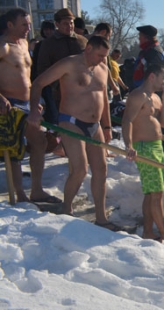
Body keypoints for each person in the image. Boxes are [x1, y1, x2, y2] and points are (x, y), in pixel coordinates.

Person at [28, 36, 117, 230]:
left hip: (95, 126)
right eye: (100, 55)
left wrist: (107, 126)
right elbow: (38, 83)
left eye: (105, 56)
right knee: (80, 169)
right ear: (88, 49)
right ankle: (66, 208)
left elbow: (104, 99)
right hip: (71, 122)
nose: (102, 60)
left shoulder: (103, 69)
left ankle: (101, 218)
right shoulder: (69, 63)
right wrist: (35, 109)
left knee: (101, 170)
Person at [0, 8, 55, 204]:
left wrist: (35, 103)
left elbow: (28, 79)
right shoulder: (3, 45)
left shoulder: (24, 44)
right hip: (9, 105)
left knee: (39, 142)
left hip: (27, 103)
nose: (29, 28)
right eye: (24, 24)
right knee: (14, 150)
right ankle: (19, 194)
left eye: (29, 24)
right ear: (10, 25)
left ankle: (37, 190)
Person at [121, 64, 164, 242]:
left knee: (151, 193)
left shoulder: (156, 98)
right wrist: (129, 145)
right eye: (163, 78)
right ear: (152, 76)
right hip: (144, 147)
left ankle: (148, 232)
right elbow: (127, 120)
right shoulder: (139, 95)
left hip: (157, 146)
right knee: (157, 193)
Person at [37, 8, 87, 125]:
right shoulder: (48, 44)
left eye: (71, 23)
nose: (69, 26)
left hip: (85, 92)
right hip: (61, 94)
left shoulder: (83, 41)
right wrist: (57, 85)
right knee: (65, 125)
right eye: (65, 23)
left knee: (84, 125)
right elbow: (42, 69)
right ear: (57, 24)